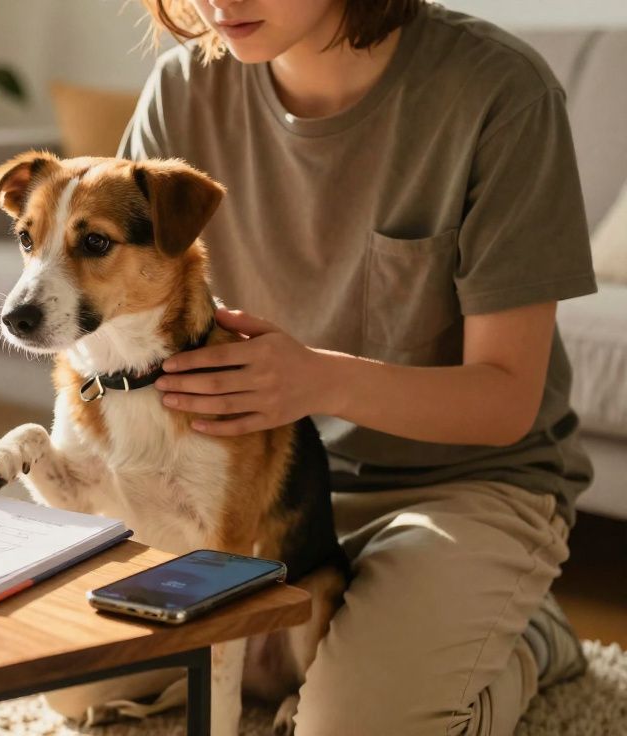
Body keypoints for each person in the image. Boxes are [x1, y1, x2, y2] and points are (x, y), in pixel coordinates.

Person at [47, 0, 598, 733]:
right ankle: (385, 639)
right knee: (77, 691)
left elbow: (505, 403)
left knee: (352, 727)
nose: (219, 3)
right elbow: (118, 336)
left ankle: (529, 638)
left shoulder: (499, 94)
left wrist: (318, 379)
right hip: (265, 499)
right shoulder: (183, 92)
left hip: (465, 488)